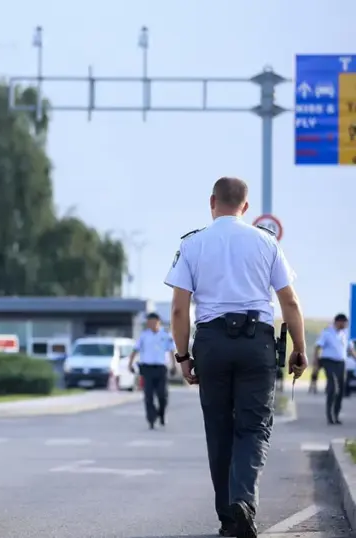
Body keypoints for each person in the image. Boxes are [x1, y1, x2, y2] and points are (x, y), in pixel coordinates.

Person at [163, 177, 306, 538]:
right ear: (246, 206)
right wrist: (300, 350)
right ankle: (243, 500)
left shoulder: (192, 243)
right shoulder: (266, 242)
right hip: (256, 343)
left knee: (219, 430)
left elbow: (180, 310)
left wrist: (182, 356)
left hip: (211, 343)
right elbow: (289, 301)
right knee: (253, 427)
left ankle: (229, 517)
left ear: (212, 202)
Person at [127, 312, 176, 429]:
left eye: (154, 322)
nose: (151, 324)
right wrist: (130, 364)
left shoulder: (165, 336)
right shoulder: (144, 336)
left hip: (161, 368)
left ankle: (161, 414)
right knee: (148, 395)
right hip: (147, 368)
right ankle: (151, 418)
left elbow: (171, 351)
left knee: (162, 395)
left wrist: (174, 365)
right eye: (149, 322)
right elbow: (135, 350)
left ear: (158, 322)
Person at [313, 314, 356, 424]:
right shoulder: (327, 333)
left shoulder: (345, 334)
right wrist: (316, 362)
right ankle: (329, 415)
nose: (345, 325)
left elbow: (350, 349)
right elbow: (318, 347)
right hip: (328, 361)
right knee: (333, 387)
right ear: (338, 322)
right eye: (344, 323)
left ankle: (336, 415)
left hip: (341, 362)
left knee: (341, 389)